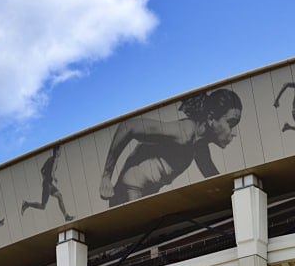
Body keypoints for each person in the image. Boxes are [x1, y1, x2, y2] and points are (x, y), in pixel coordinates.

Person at [98, 88, 242, 206]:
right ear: (211, 118)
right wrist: (106, 176)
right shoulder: (184, 132)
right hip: (129, 193)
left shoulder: (199, 145)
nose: (234, 133)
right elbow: (128, 126)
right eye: (231, 123)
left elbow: (214, 178)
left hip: (142, 196)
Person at [21, 145, 73, 221]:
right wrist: (54, 178)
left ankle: (66, 216)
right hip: (48, 185)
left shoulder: (50, 159)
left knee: (59, 196)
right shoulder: (55, 160)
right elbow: (52, 173)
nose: (60, 152)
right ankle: (26, 204)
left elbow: (42, 170)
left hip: (48, 184)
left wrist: (46, 179)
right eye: (60, 150)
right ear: (57, 151)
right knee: (43, 206)